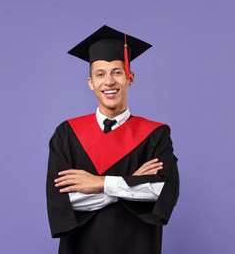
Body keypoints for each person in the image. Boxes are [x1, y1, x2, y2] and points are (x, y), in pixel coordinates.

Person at [46, 25, 179, 254]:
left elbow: (163, 190)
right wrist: (127, 186)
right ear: (90, 82)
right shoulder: (66, 134)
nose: (109, 81)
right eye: (100, 74)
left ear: (130, 78)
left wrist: (100, 183)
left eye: (117, 72)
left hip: (137, 246)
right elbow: (63, 203)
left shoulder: (155, 135)